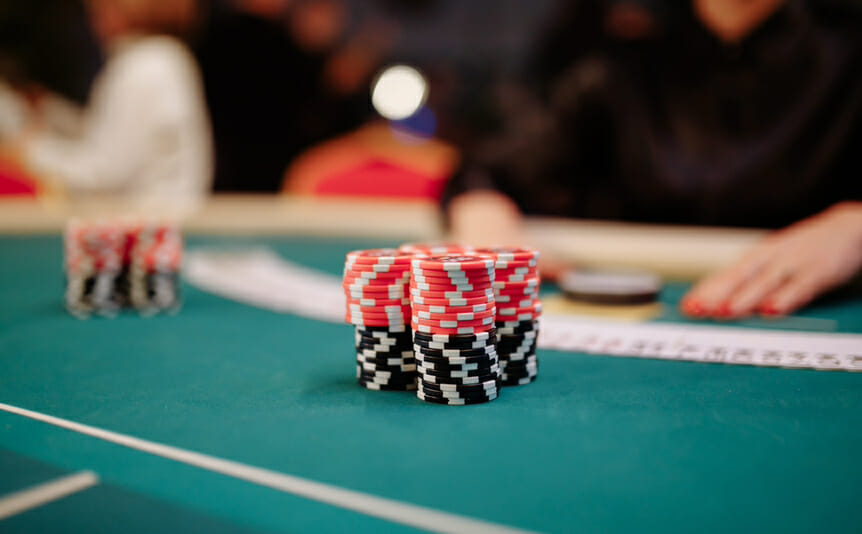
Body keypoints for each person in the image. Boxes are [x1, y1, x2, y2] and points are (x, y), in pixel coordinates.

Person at [443, 0, 862, 319]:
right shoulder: (620, 62)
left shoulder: (848, 49)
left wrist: (854, 225)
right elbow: (486, 169)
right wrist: (484, 212)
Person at [9, 0, 213, 210]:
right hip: (163, 221)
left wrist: (28, 151)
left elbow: (103, 175)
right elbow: (108, 137)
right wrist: (52, 111)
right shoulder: (165, 57)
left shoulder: (142, 65)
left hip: (147, 227)